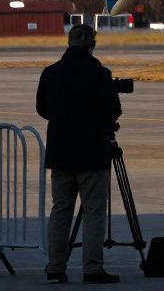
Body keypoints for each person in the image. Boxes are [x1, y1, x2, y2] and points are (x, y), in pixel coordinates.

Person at [36, 24, 123, 284]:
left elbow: (42, 108)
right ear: (91, 45)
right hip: (92, 152)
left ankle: (55, 268)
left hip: (61, 152)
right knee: (94, 211)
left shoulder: (51, 73)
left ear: (69, 42)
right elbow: (113, 109)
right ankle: (92, 268)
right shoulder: (99, 73)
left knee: (60, 211)